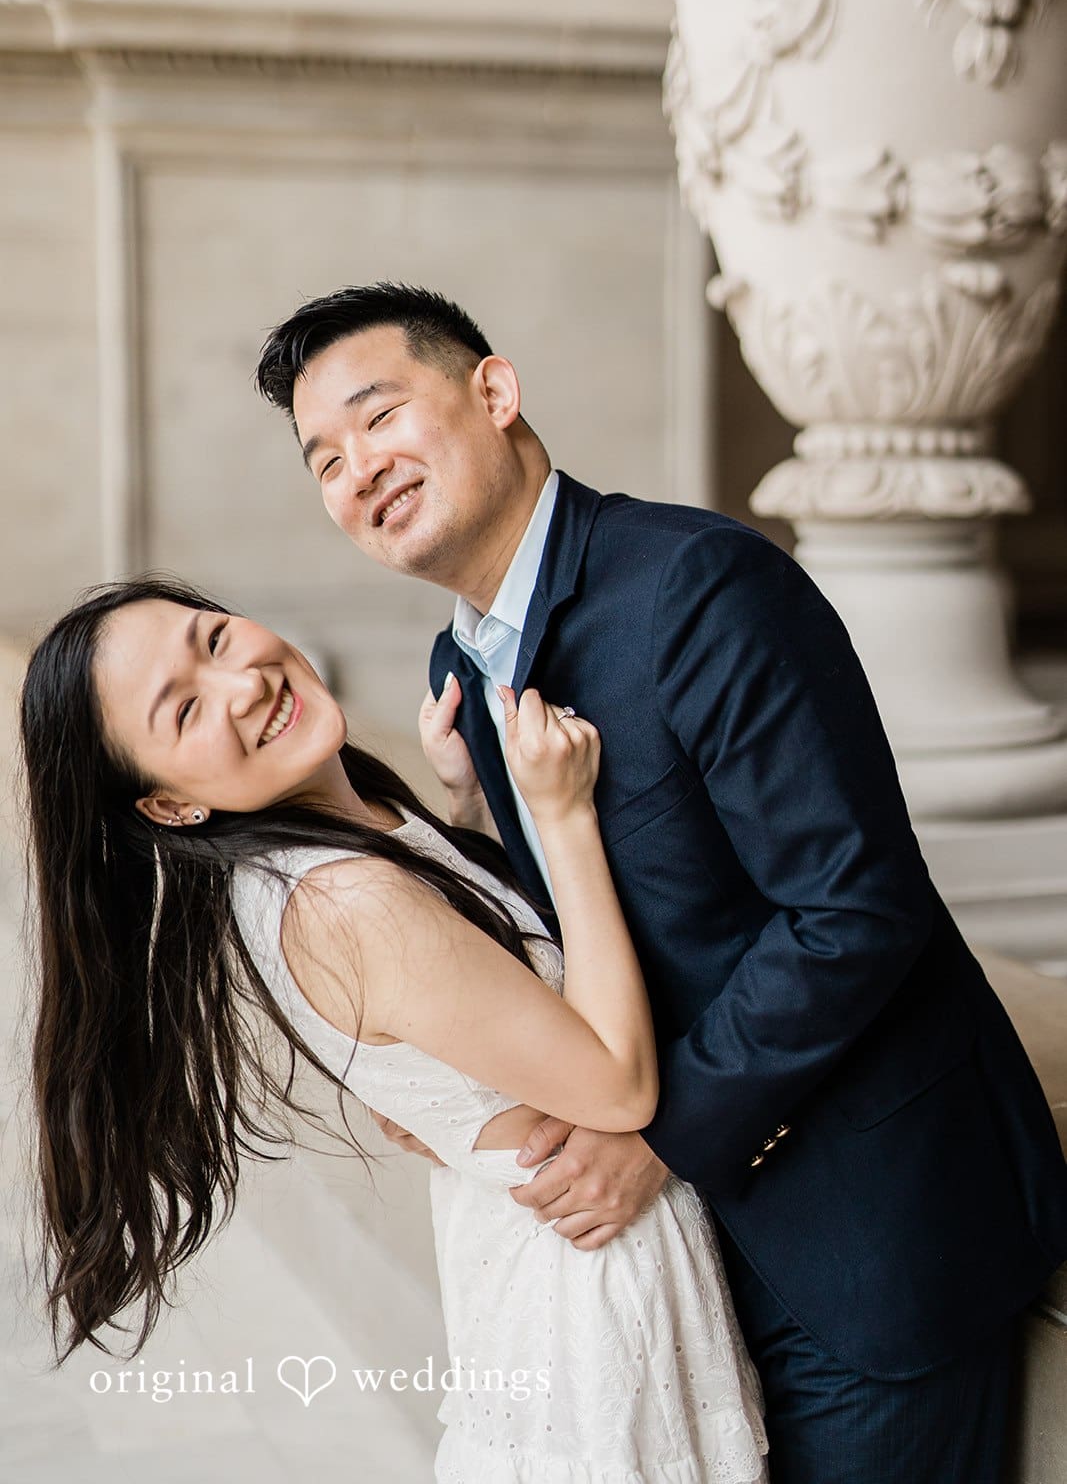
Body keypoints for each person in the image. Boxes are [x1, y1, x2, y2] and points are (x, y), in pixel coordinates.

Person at [255, 281, 1067, 1484]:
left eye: (379, 418)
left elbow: (853, 908)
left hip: (870, 1225)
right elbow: (610, 915)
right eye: (325, 458)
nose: (358, 468)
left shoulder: (698, 585)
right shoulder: (461, 664)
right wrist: (472, 820)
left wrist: (665, 1139)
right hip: (690, 1271)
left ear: (494, 391)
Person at [20, 576, 768, 1484]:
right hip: (588, 1291)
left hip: (563, 1273)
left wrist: (473, 814)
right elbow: (619, 1083)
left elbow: (481, 984)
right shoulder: (343, 898)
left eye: (212, 640)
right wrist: (561, 815)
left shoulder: (332, 846)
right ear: (169, 806)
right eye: (183, 711)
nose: (243, 682)